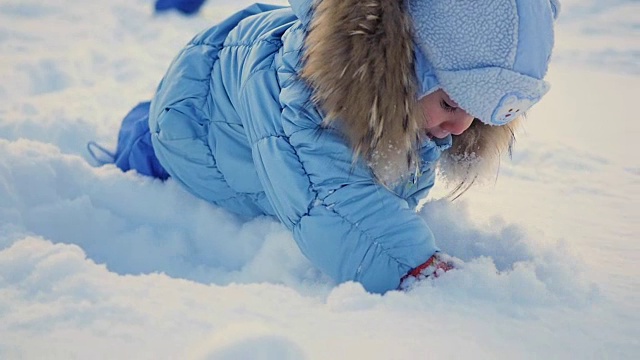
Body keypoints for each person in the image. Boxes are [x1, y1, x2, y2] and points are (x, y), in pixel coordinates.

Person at [88, 0, 560, 293]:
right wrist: (414, 267)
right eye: (453, 102)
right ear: (405, 64)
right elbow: (332, 201)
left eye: (478, 116)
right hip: (193, 123)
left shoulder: (414, 102)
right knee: (152, 143)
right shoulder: (306, 100)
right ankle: (139, 128)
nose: (461, 127)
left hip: (236, 87)